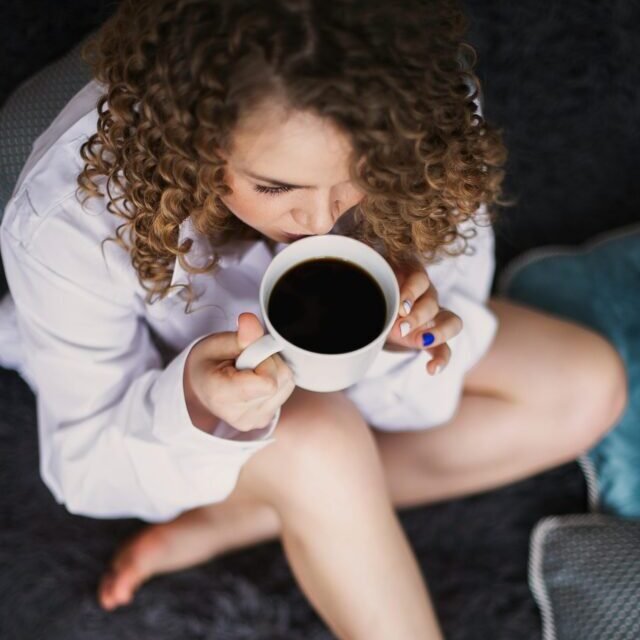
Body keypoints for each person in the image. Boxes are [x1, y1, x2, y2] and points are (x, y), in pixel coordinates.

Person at [0, 0, 628, 638]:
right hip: (174, 400)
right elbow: (83, 468)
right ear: (191, 140)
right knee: (324, 439)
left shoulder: (418, 114)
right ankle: (297, 487)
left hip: (341, 402)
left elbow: (424, 396)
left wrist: (401, 343)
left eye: (357, 175)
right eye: (275, 188)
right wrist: (198, 404)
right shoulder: (69, 218)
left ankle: (255, 513)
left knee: (586, 386)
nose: (323, 221)